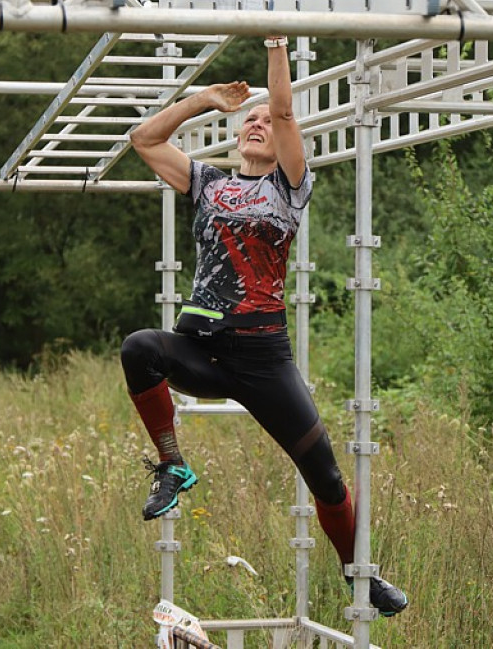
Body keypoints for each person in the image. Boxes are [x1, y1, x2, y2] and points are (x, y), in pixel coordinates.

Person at [121, 36, 408, 617]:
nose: (257, 123)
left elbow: (282, 109)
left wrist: (277, 45)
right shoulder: (207, 183)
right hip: (204, 351)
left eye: (266, 122)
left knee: (325, 476)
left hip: (262, 360)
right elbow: (143, 140)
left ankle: (362, 575)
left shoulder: (289, 187)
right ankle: (173, 464)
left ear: (284, 141)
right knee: (140, 349)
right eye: (247, 119)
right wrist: (202, 99)